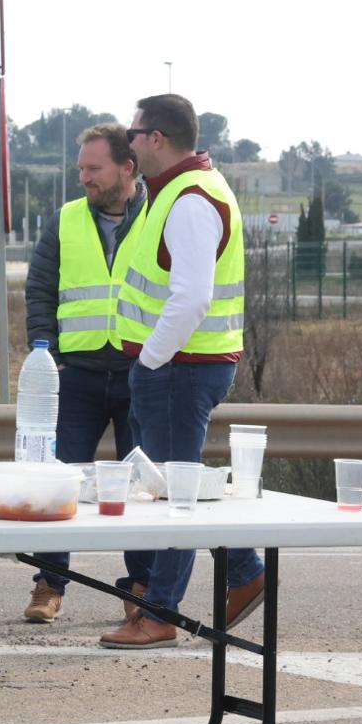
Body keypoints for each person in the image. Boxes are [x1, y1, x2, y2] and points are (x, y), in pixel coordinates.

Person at [98, 94, 265, 650]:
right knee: (180, 485)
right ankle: (246, 573)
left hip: (178, 367)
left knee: (177, 498)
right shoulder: (178, 191)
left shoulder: (190, 199)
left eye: (135, 132)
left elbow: (192, 297)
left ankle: (160, 614)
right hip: (181, 365)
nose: (130, 141)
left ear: (158, 139)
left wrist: (149, 360)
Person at [21, 124, 147, 625]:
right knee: (59, 484)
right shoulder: (66, 219)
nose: (84, 177)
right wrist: (47, 353)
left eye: (93, 169)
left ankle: (142, 589)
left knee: (140, 488)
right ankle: (50, 584)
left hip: (143, 373)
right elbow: (40, 289)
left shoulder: (160, 214)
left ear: (126, 168)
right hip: (76, 376)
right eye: (81, 168)